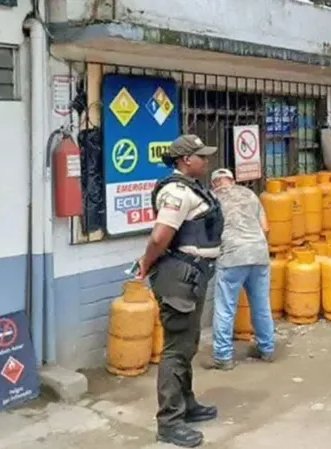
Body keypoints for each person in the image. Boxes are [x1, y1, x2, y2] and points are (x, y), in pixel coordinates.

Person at [135, 134, 223, 448]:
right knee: (176, 349)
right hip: (178, 277)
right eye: (202, 156)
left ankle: (187, 404)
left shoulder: (191, 188)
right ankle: (169, 422)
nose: (206, 161)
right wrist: (145, 263)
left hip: (192, 276)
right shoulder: (176, 192)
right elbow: (160, 237)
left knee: (188, 344)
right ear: (186, 160)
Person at [204, 168, 276, 370]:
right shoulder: (250, 194)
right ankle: (267, 349)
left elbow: (208, 232)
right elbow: (266, 228)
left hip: (232, 256)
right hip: (259, 253)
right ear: (232, 181)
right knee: (261, 304)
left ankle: (223, 357)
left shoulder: (212, 198)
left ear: (214, 184)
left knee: (225, 308)